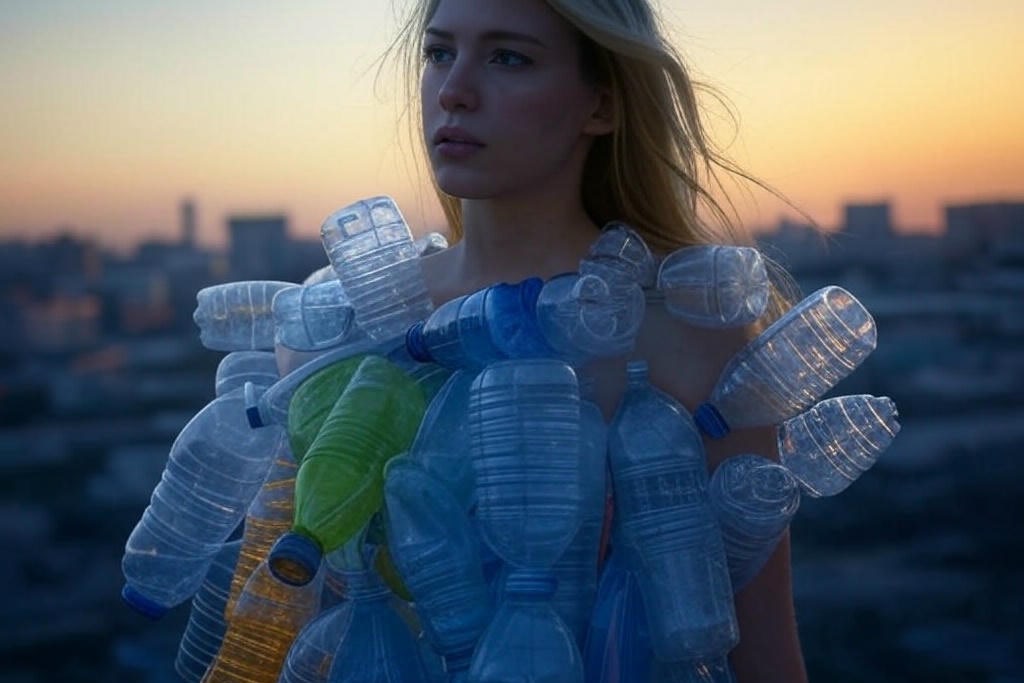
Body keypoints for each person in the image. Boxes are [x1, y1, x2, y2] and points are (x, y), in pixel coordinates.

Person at [288, 0, 808, 679]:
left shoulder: (687, 336)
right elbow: (310, 624)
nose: (454, 91)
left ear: (603, 105)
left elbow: (763, 652)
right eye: (440, 53)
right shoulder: (347, 323)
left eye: (509, 58)